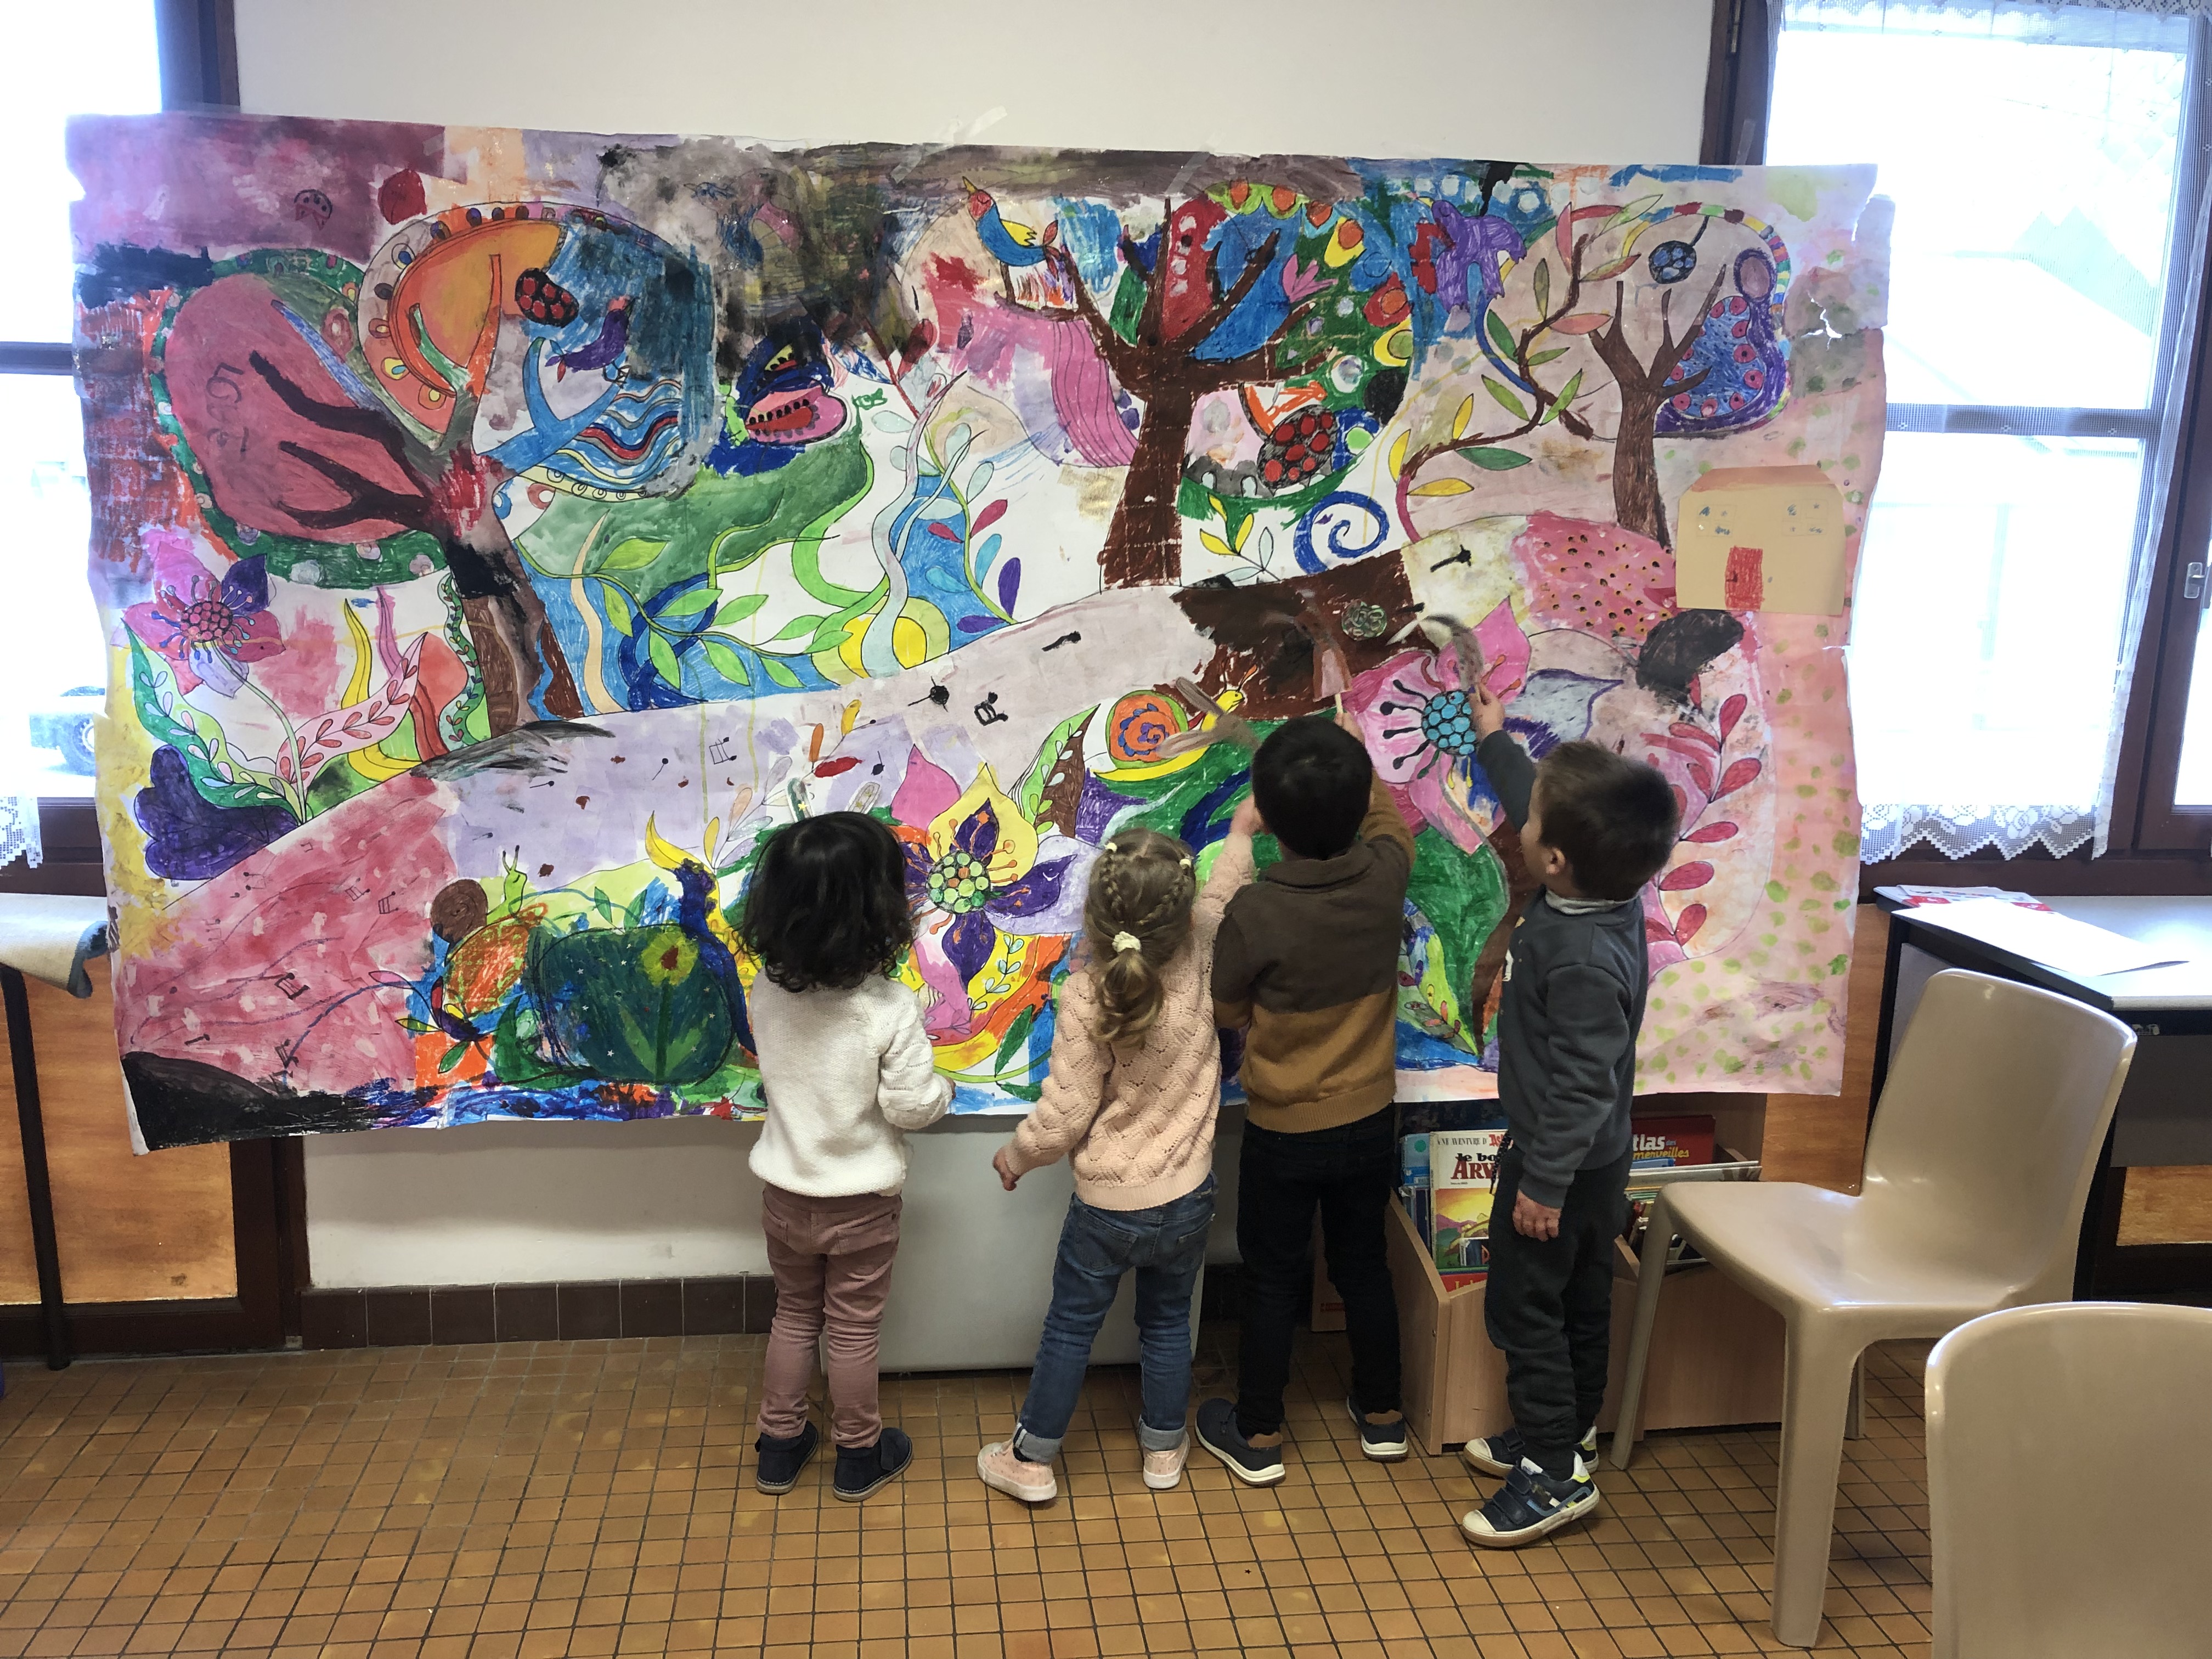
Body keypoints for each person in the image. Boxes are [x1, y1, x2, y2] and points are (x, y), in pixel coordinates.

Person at [977, 808, 1259, 1502]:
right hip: (1187, 1195)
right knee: (1166, 1324)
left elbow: (1066, 1114)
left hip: (1106, 1207)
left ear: (1096, 917)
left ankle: (1032, 1460)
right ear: (1181, 911)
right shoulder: (1201, 948)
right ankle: (1163, 1450)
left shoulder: (1086, 994)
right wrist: (1242, 834)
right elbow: (1224, 895)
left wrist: (1017, 1156)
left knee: (1071, 1328)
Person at [1455, 685, 1681, 1547]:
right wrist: (1493, 739)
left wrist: (1542, 1183)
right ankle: (1569, 1434)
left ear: (1552, 862)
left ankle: (1553, 1474)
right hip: (1596, 1163)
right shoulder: (1603, 888)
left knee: (1527, 1311)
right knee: (1581, 1299)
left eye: (1534, 821)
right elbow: (1536, 805)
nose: (1523, 819)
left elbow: (1585, 1087)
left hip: (1561, 1162)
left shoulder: (1584, 956)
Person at [1196, 715, 1415, 1486]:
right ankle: (1383, 1417)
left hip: (1284, 1128)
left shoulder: (1255, 911)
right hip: (1370, 1117)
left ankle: (1258, 1433)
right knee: (1364, 1265)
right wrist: (1354, 751)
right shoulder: (1387, 874)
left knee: (1272, 1277)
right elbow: (1387, 821)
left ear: (1266, 819)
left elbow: (1226, 1009)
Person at [740, 811, 952, 1502]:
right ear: (879, 911)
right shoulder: (887, 1007)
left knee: (794, 1316)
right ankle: (859, 1454)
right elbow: (912, 1108)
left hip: (785, 1195)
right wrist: (944, 1092)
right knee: (854, 1332)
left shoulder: (766, 990)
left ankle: (779, 1446)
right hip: (861, 1204)